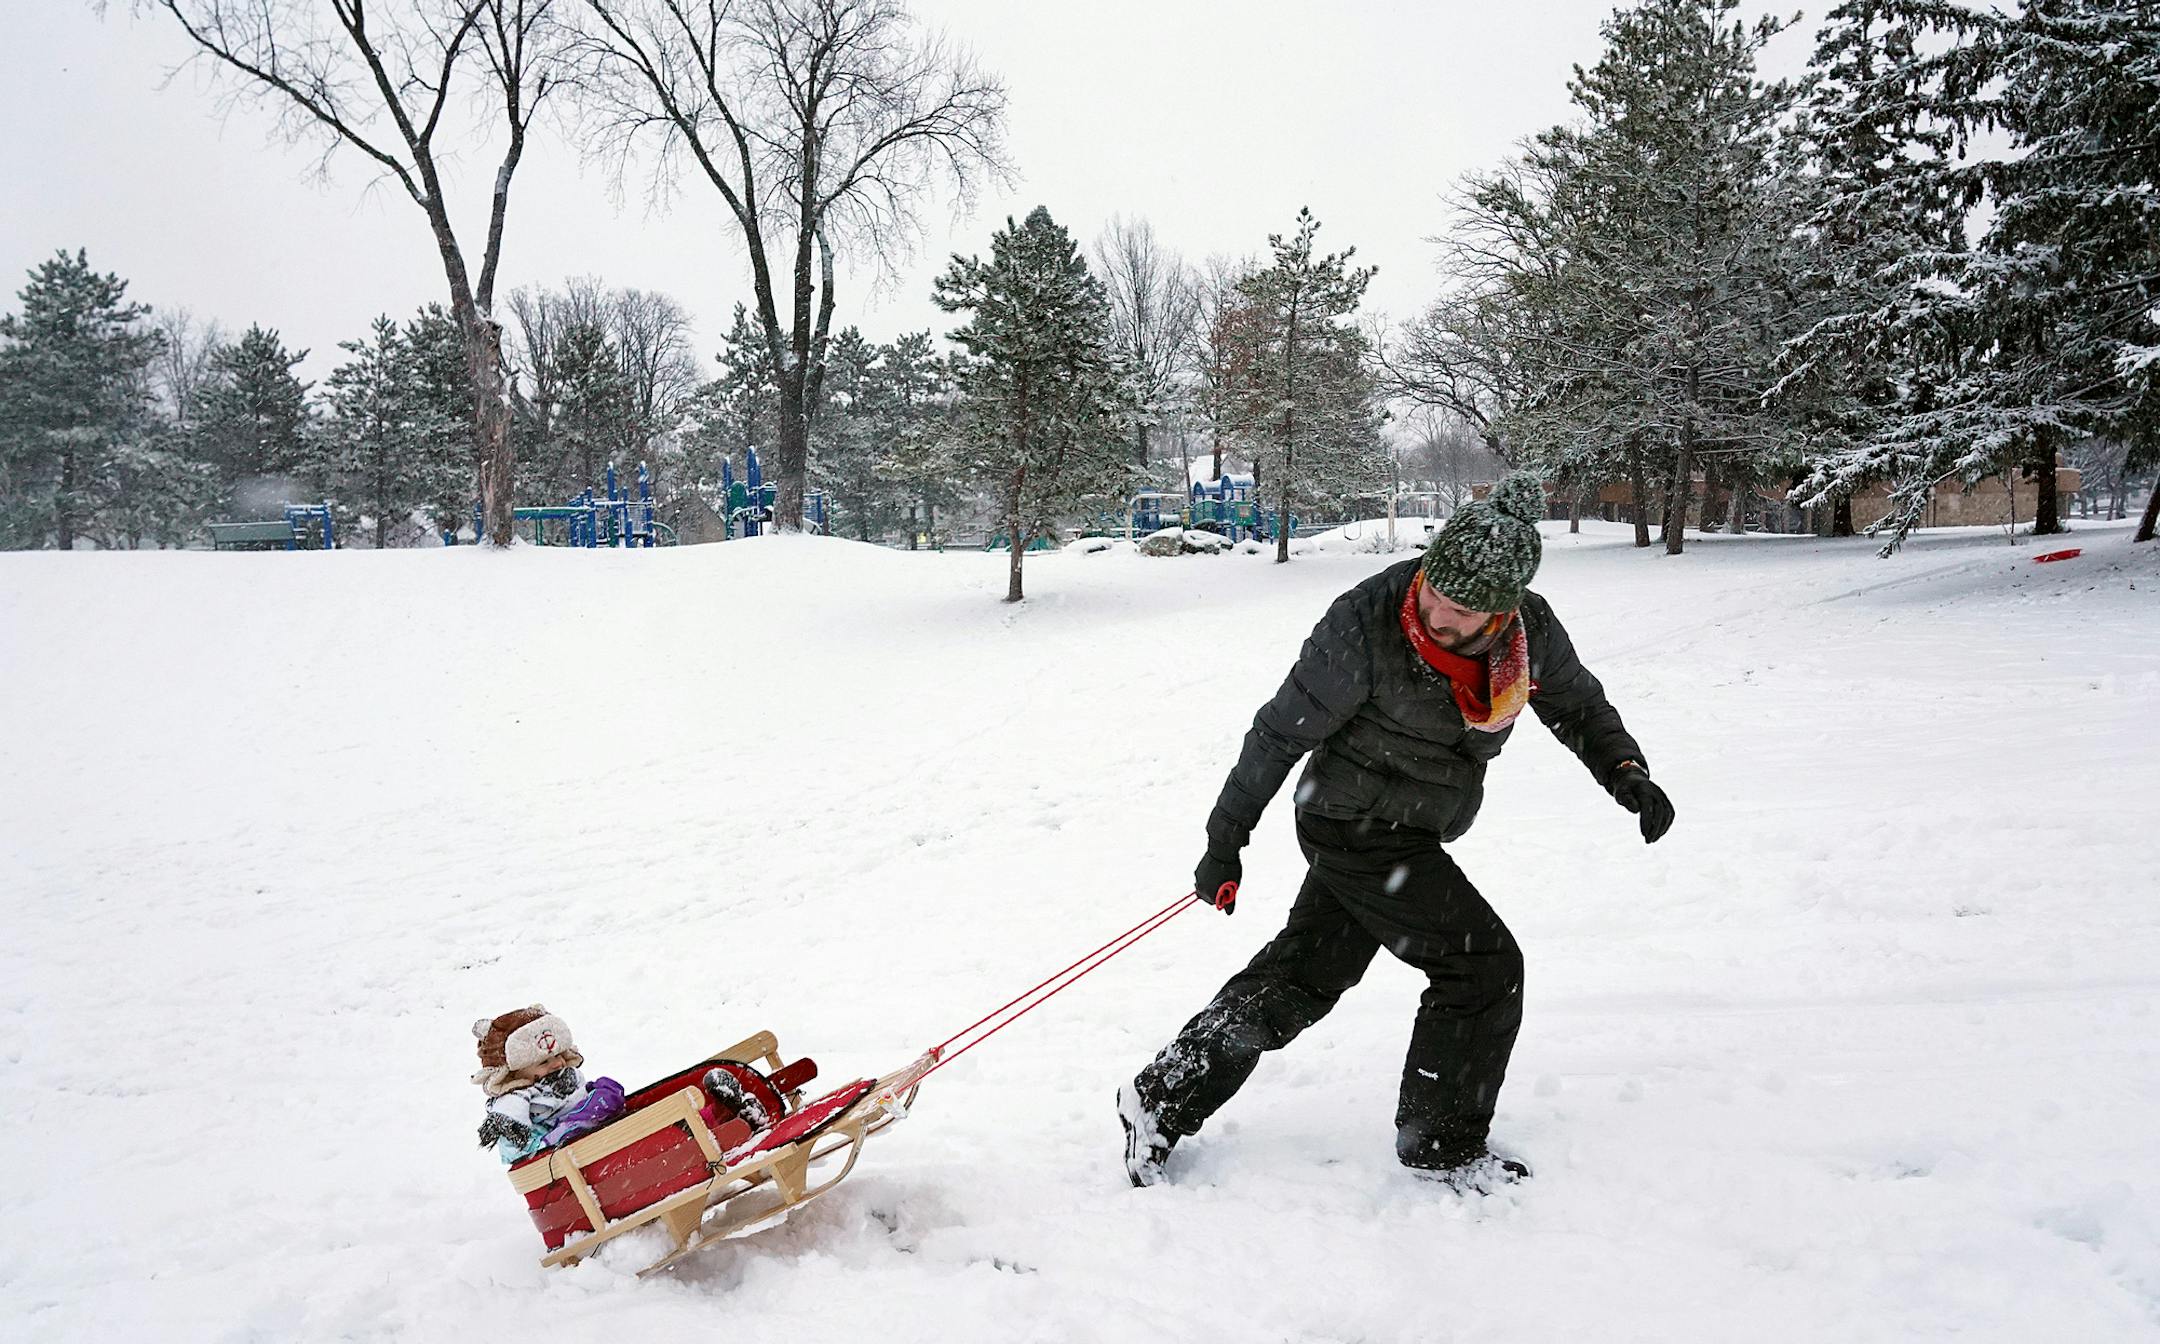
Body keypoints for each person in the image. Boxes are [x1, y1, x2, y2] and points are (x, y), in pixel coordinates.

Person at [1119, 472, 1674, 1193]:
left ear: (1503, 613)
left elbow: (1577, 704)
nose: (1440, 618)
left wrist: (1626, 771)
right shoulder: (1366, 623)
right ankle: (1440, 1143)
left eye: (1464, 614)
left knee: (1305, 974)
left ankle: (1160, 1097)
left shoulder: (1526, 635)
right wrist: (1226, 843)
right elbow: (1277, 737)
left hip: (1413, 825)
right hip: (1350, 823)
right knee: (1481, 967)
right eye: (1435, 597)